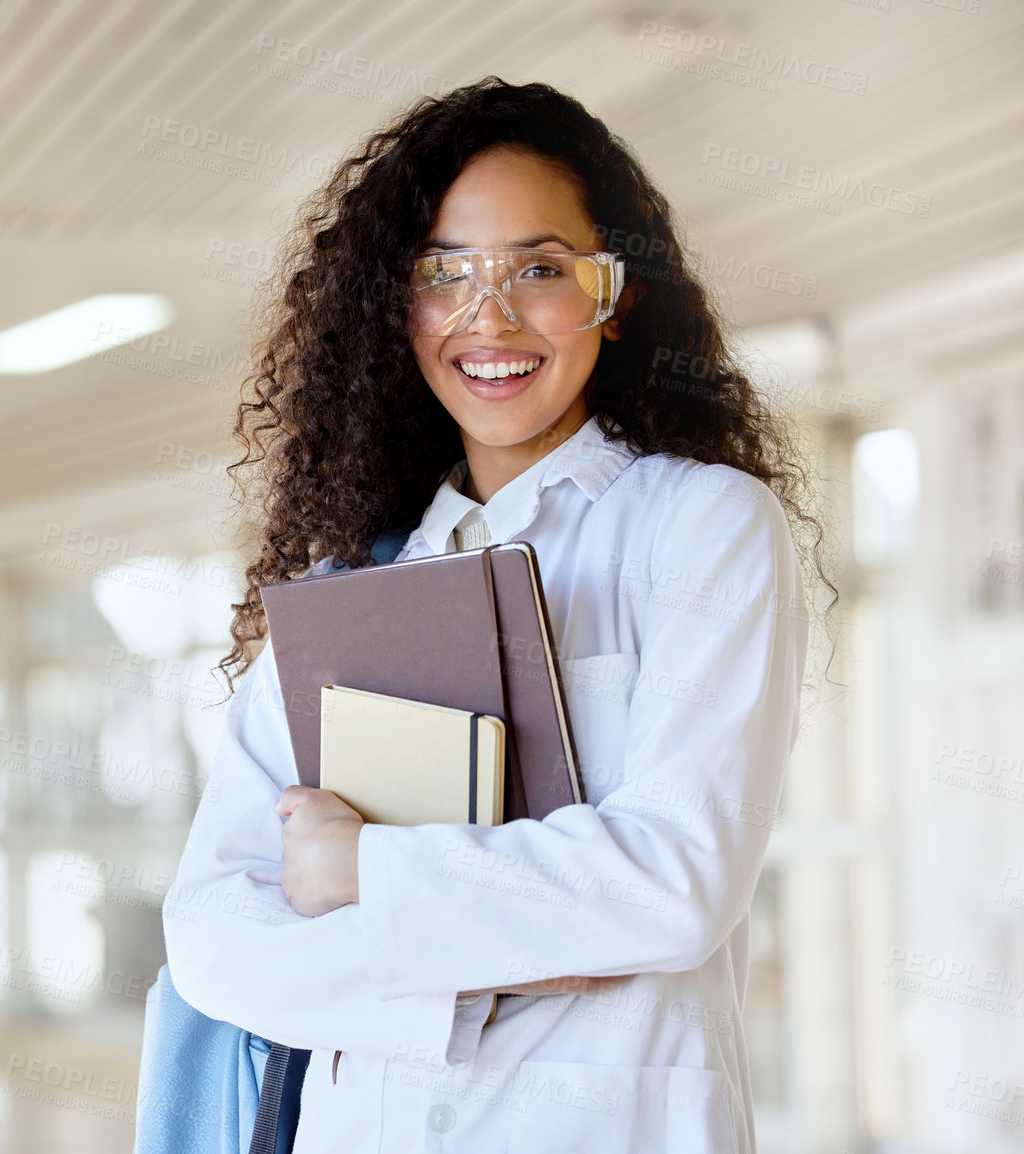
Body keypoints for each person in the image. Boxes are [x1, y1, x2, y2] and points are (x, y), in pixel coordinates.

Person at [161, 77, 830, 1153]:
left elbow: (673, 883)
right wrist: (504, 957)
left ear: (614, 296)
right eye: (445, 274)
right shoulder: (351, 582)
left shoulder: (700, 526)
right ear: (397, 306)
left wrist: (361, 872)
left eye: (541, 269)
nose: (492, 315)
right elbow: (212, 932)